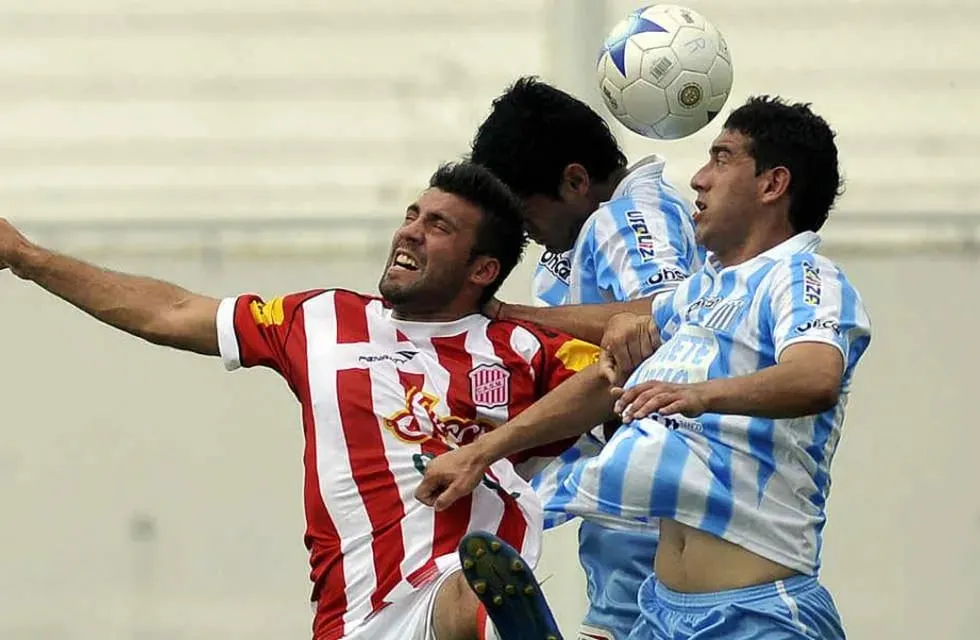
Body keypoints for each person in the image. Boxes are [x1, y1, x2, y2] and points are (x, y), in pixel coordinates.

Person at [0, 161, 604, 640]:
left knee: (469, 588)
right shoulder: (320, 319)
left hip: (453, 582)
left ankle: (502, 625)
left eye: (438, 226)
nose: (410, 230)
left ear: (483, 270)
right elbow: (172, 312)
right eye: (413, 214)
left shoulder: (521, 346)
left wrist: (483, 452)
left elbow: (608, 379)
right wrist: (27, 258)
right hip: (352, 612)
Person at [416, 96, 873, 639]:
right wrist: (482, 451)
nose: (699, 179)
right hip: (663, 612)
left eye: (722, 159)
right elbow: (608, 373)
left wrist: (700, 394)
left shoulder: (804, 276)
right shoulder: (705, 289)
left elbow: (815, 376)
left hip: (757, 614)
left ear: (773, 184)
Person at [468, 76, 702, 640]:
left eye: (528, 218)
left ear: (575, 180)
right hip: (622, 494)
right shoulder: (585, 238)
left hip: (650, 498)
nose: (531, 237)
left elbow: (667, 317)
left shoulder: (623, 218)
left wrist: (506, 313)